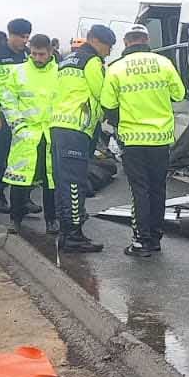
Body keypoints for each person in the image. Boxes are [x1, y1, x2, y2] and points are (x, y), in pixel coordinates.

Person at [101, 24, 187, 257]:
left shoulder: (116, 68)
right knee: (158, 188)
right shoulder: (164, 64)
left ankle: (141, 241)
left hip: (132, 138)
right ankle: (156, 237)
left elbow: (108, 105)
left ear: (126, 42)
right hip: (160, 138)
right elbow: (179, 94)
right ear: (146, 40)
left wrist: (120, 123)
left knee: (139, 189)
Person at [50, 24, 116, 253]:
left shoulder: (66, 60)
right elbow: (102, 93)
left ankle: (65, 231)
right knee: (76, 183)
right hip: (77, 127)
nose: (108, 53)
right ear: (98, 42)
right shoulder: (92, 61)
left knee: (63, 182)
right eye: (108, 47)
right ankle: (74, 235)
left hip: (58, 125)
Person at [2, 33, 60, 233]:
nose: (37, 58)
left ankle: (52, 220)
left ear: (50, 52)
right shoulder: (18, 72)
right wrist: (18, 126)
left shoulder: (60, 73)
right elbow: (8, 100)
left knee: (50, 180)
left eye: (41, 54)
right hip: (26, 134)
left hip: (50, 134)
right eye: (34, 54)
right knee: (20, 178)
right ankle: (15, 218)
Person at [0, 18, 32, 214]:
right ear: (10, 35)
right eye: (21, 37)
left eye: (27, 37)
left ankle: (23, 198)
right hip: (1, 114)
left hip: (24, 115)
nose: (24, 41)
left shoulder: (28, 55)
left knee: (24, 157)